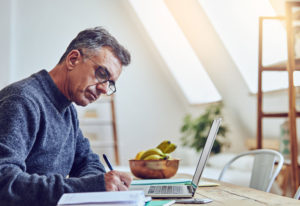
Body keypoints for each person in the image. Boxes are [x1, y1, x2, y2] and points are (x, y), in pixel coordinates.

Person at [0, 27, 132, 206]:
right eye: (102, 74)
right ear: (73, 60)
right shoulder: (21, 100)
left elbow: (89, 163)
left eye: (110, 84)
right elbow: (4, 182)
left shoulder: (68, 110)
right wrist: (88, 187)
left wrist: (93, 186)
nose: (103, 89)